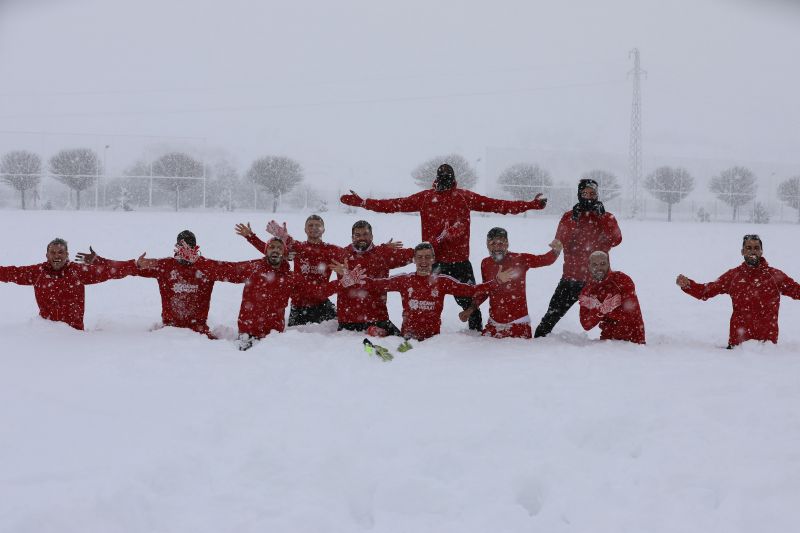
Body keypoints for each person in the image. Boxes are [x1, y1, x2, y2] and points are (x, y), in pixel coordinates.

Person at [340, 163, 547, 332]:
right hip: (431, 263)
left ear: (453, 178)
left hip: (460, 264)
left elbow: (498, 205)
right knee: (421, 303)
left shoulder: (464, 197)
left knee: (471, 304)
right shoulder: (425, 198)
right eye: (442, 177)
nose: (445, 181)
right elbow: (394, 205)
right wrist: (364, 202)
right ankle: (418, 333)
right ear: (436, 179)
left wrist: (529, 205)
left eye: (448, 177)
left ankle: (476, 337)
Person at [217, 237, 364, 349]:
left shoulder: (290, 277)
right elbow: (222, 269)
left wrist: (344, 281)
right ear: (266, 250)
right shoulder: (253, 268)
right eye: (272, 247)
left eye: (279, 248)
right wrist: (197, 262)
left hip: (274, 338)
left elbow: (318, 291)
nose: (275, 250)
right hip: (246, 335)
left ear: (284, 253)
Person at [355, 242, 513, 341]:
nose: (423, 261)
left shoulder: (442, 281)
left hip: (433, 342)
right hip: (408, 338)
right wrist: (352, 277)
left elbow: (470, 290)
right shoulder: (405, 280)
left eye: (427, 257)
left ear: (433, 259)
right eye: (420, 257)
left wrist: (496, 281)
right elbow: (375, 284)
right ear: (414, 259)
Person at [676, 234, 800, 348]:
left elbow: (797, 291)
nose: (753, 251)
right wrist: (688, 285)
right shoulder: (734, 276)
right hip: (738, 347)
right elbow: (705, 291)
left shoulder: (775, 276)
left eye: (756, 248)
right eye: (749, 248)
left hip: (767, 347)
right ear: (742, 251)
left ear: (761, 251)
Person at [534, 178, 622, 338]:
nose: (588, 197)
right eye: (584, 193)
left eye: (592, 193)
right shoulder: (569, 217)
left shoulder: (607, 217)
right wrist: (574, 222)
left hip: (598, 281)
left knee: (613, 316)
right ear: (579, 195)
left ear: (597, 195)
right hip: (571, 278)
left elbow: (616, 239)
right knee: (550, 317)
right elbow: (559, 241)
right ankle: (537, 343)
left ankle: (615, 345)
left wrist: (601, 217)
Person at [0, 238, 141, 330]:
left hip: (73, 335)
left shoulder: (78, 271)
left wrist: (134, 265)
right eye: (53, 252)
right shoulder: (38, 272)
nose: (57, 256)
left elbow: (109, 271)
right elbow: (11, 273)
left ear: (67, 255)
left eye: (61, 252)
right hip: (45, 332)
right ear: (47, 255)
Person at [131, 230, 251, 337]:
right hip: (169, 331)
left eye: (190, 247)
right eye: (182, 246)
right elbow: (133, 269)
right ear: (177, 247)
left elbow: (233, 273)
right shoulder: (165, 265)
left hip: (199, 333)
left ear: (196, 248)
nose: (186, 251)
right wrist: (137, 265)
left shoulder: (206, 267)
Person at [235, 215, 345, 326]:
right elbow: (272, 252)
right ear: (305, 229)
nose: (314, 228)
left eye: (318, 225)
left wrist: (345, 271)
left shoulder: (332, 250)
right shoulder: (298, 247)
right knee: (294, 339)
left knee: (338, 335)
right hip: (299, 307)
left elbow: (352, 259)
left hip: (323, 304)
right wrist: (251, 237)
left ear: (324, 229)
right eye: (310, 225)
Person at [459, 227, 562, 339]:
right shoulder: (485, 263)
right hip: (493, 325)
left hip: (518, 325)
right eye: (493, 243)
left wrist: (556, 249)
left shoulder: (520, 259)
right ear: (487, 245)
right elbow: (486, 290)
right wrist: (470, 310)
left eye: (501, 243)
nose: (497, 247)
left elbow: (545, 259)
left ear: (507, 244)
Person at [578, 251, 645, 344]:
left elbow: (632, 315)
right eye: (594, 264)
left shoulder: (622, 280)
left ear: (608, 264)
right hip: (608, 341)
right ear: (589, 266)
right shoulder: (587, 290)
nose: (599, 268)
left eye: (602, 264)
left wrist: (607, 310)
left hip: (633, 341)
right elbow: (586, 324)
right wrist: (600, 310)